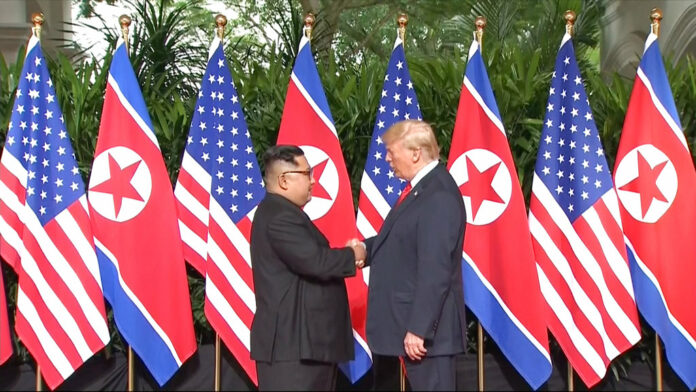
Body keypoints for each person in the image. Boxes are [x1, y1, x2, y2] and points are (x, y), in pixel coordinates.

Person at [357, 120, 467, 390]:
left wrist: (419, 328)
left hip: (426, 338)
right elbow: (403, 241)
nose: (386, 158)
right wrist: (365, 250)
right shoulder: (421, 190)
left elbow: (435, 269)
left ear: (416, 152)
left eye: (391, 151)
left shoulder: (437, 194)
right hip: (406, 330)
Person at [249, 144, 366, 391]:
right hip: (293, 349)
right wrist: (353, 254)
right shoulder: (280, 216)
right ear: (283, 180)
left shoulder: (281, 212)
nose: (313, 181)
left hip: (304, 347)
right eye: (307, 173)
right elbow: (316, 262)